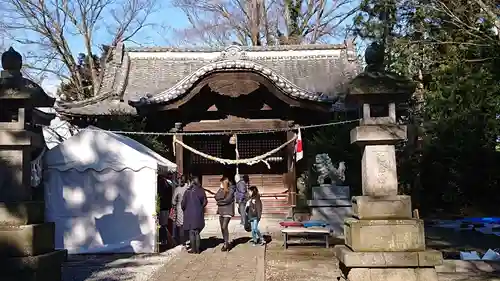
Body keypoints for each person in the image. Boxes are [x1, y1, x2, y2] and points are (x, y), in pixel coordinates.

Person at [181, 175, 207, 254]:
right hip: (198, 213)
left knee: (192, 231)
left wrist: (185, 209)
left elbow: (183, 204)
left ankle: (193, 249)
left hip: (189, 214)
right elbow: (205, 202)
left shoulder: (187, 192)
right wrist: (200, 207)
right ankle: (198, 249)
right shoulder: (201, 190)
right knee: (197, 232)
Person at [214, 176, 235, 252]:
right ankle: (225, 242)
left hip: (228, 211)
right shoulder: (221, 190)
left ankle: (226, 244)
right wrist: (220, 190)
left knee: (224, 226)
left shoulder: (231, 190)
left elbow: (227, 200)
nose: (220, 184)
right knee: (222, 228)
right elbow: (216, 197)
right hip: (221, 211)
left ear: (225, 183)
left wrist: (219, 202)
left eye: (221, 183)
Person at [171, 174, 189, 246]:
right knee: (187, 224)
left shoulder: (177, 189)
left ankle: (182, 242)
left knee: (181, 225)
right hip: (188, 208)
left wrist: (176, 203)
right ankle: (187, 238)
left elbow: (173, 201)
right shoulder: (188, 187)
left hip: (180, 208)